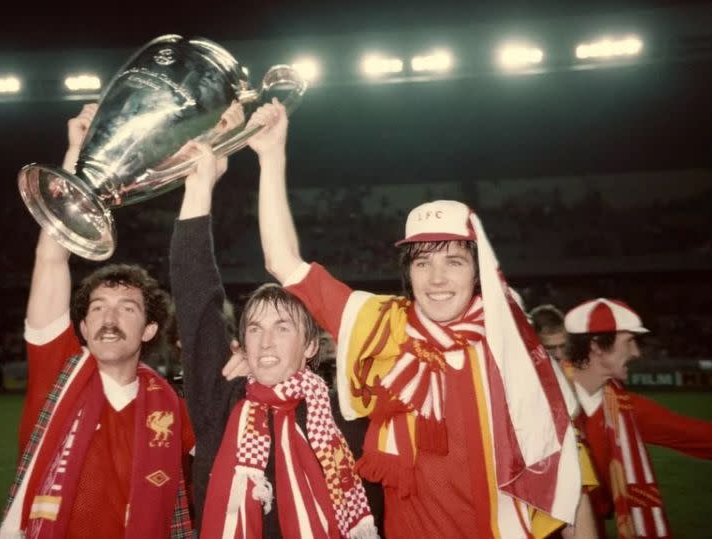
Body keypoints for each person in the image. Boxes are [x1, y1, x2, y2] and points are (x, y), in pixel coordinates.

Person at [242, 99, 581, 538]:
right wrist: (272, 156)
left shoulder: (510, 341)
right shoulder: (381, 324)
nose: (437, 279)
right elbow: (282, 262)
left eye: (454, 261)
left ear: (478, 271)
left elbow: (555, 466)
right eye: (422, 263)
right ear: (408, 273)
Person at [0, 104, 194, 539]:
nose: (108, 317)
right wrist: (77, 157)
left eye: (127, 307)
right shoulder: (59, 371)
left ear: (149, 329)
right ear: (82, 328)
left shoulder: (169, 405)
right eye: (97, 307)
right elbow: (51, 259)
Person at [169, 137, 378, 538]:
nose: (266, 342)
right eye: (255, 328)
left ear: (312, 346)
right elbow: (195, 298)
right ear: (242, 342)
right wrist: (198, 187)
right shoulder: (221, 399)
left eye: (283, 328)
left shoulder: (347, 418)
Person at [565, 298, 712, 539]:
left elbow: (696, 435)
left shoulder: (628, 409)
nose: (637, 352)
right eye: (629, 341)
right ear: (597, 347)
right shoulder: (542, 398)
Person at [530, 304, 600, 539]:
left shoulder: (573, 370)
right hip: (539, 474)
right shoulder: (521, 379)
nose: (559, 354)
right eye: (550, 348)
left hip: (575, 466)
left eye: (563, 346)